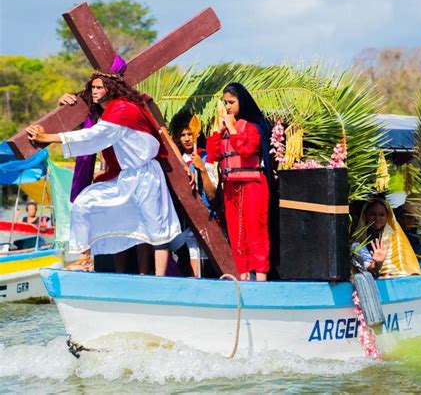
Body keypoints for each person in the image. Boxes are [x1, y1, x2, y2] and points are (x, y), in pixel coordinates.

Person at [26, 63, 181, 276]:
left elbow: (94, 136)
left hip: (146, 175)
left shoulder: (123, 109)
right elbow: (88, 123)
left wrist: (49, 138)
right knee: (84, 204)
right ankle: (84, 257)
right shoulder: (106, 111)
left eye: (100, 87)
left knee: (156, 230)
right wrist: (65, 104)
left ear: (111, 87)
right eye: (93, 87)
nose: (95, 91)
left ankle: (159, 279)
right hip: (123, 176)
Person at [207, 83, 273, 281]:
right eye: (225, 102)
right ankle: (242, 276)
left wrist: (232, 129)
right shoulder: (226, 128)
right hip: (231, 187)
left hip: (253, 186)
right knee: (236, 234)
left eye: (231, 102)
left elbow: (247, 149)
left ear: (241, 102)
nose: (227, 107)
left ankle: (261, 278)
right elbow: (213, 154)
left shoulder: (252, 127)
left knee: (256, 231)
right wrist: (219, 131)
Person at [170, 110, 218, 277]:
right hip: (185, 222)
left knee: (204, 265)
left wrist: (202, 170)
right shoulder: (177, 160)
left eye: (190, 134)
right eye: (182, 135)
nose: (187, 138)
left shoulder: (207, 157)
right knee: (190, 263)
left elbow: (212, 194)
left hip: (207, 217)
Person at [353, 198, 421, 278]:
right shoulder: (358, 244)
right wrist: (377, 263)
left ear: (388, 217)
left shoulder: (397, 239)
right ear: (365, 216)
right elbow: (372, 268)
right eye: (373, 214)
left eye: (381, 215)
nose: (377, 218)